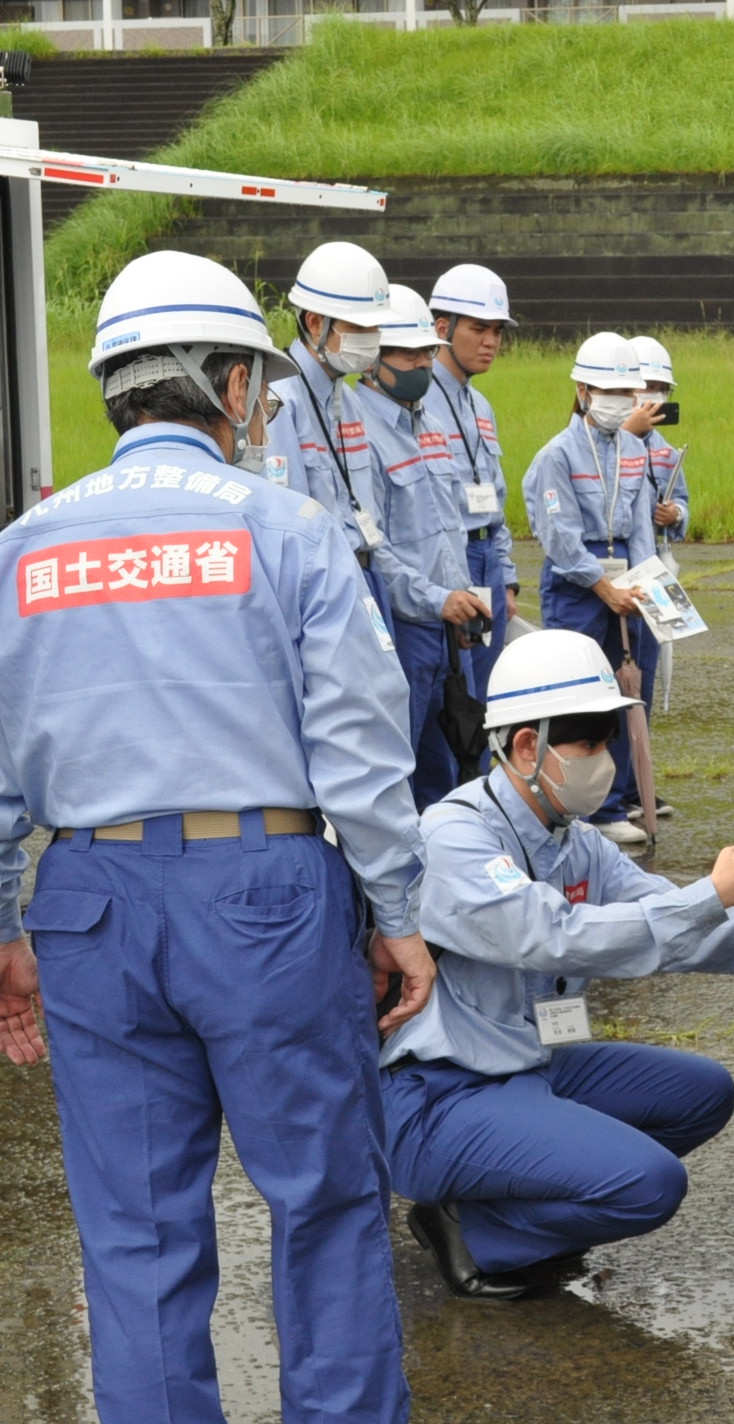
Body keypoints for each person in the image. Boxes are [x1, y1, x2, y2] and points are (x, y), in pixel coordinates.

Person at [0, 250, 434, 1422]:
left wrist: (4, 928)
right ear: (231, 385)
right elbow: (359, 749)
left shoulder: (24, 547)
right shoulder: (287, 528)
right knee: (324, 1201)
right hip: (266, 895)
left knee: (134, 1232)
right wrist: (396, 911)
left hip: (85, 897)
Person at [382, 629, 734, 1300]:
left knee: (703, 1093)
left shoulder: (577, 843)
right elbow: (547, 936)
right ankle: (473, 1230)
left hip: (532, 1064)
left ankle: (507, 1207)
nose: (604, 759)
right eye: (588, 741)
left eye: (609, 738)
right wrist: (714, 894)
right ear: (527, 746)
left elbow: (685, 930)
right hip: (441, 1093)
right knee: (650, 1184)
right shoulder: (455, 833)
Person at [521, 332, 661, 845]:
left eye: (627, 393)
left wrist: (648, 584)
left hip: (626, 585)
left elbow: (641, 525)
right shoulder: (556, 455)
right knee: (583, 693)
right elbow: (559, 538)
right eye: (607, 391)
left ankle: (619, 798)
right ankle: (576, 803)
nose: (617, 402)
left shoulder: (635, 450)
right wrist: (604, 588)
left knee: (630, 693)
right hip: (578, 589)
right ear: (582, 391)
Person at [352, 285, 488, 810]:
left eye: (427, 353)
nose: (422, 365)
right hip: (405, 628)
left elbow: (450, 525)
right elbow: (373, 546)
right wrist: (437, 600)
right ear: (373, 361)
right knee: (400, 767)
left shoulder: (429, 421)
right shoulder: (358, 429)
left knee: (457, 760)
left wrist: (462, 604)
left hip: (451, 626)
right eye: (408, 354)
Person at [262, 240, 394, 607]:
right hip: (323, 590)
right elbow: (287, 527)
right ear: (315, 322)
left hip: (367, 575)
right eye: (359, 327)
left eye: (376, 329)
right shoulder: (280, 402)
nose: (371, 340)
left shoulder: (347, 399)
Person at [426, 263, 518, 704]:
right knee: (454, 696)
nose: (491, 342)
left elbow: (495, 495)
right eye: (480, 328)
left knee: (487, 698)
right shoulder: (418, 400)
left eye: (498, 331)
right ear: (442, 328)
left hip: (489, 564)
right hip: (452, 559)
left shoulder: (480, 404)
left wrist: (508, 580)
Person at [631, 334, 689, 549]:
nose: (655, 395)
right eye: (648, 386)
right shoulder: (596, 444)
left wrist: (676, 514)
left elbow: (681, 498)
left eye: (663, 389)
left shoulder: (665, 452)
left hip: (649, 554)